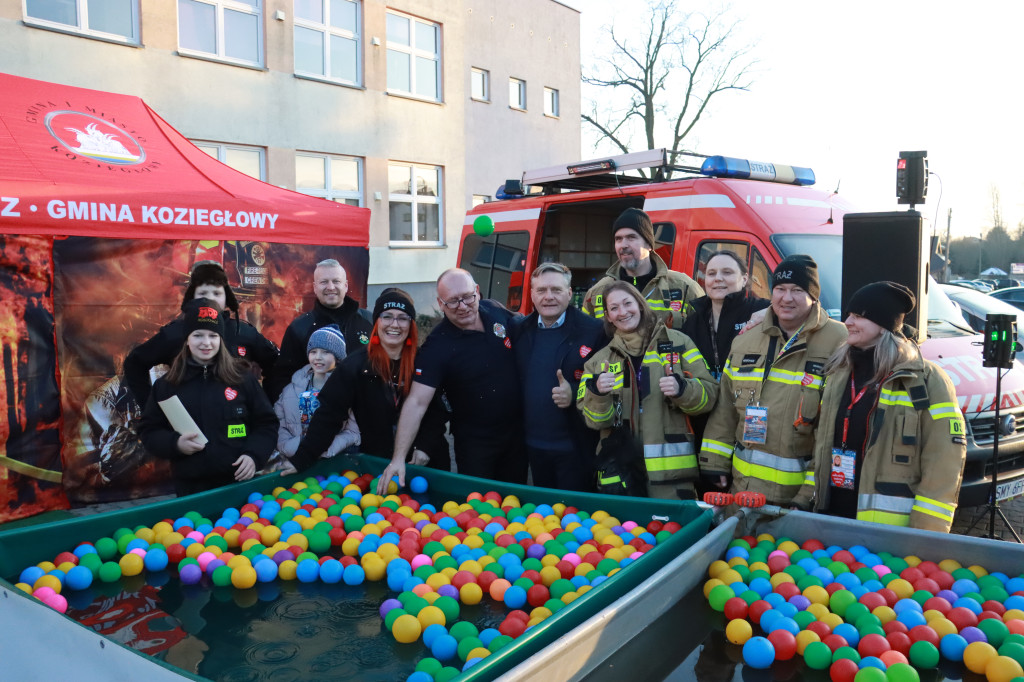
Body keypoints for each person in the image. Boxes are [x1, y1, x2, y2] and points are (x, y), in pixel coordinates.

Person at [792, 282, 966, 532]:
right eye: (849, 315)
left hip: (892, 537)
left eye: (859, 316)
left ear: (884, 325)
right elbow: (821, 448)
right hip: (830, 521)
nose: (848, 322)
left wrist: (927, 536)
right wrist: (804, 499)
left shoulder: (928, 380)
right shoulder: (839, 372)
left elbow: (944, 463)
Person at [698, 255, 847, 506]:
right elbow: (725, 408)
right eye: (780, 289)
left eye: (797, 290)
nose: (786, 298)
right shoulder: (745, 339)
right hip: (742, 492)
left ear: (813, 296)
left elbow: (832, 431)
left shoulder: (839, 341)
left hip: (799, 498)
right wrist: (714, 462)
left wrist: (808, 493)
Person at [377, 269, 524, 493]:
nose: (463, 306)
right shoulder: (437, 346)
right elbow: (417, 402)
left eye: (467, 297)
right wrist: (398, 459)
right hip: (476, 445)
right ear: (440, 302)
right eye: (453, 301)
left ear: (477, 292)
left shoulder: (494, 310)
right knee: (481, 513)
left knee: (519, 505)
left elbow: (531, 332)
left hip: (517, 437)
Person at [578, 281, 718, 499]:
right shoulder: (598, 362)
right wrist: (598, 394)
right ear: (607, 316)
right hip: (621, 477)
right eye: (614, 308)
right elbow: (595, 421)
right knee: (621, 534)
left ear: (640, 304)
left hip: (671, 478)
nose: (623, 312)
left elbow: (710, 396)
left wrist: (682, 389)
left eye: (627, 303)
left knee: (672, 534)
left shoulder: (678, 343)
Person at [290, 289, 450, 472]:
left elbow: (439, 411)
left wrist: (425, 446)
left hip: (423, 462)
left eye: (403, 318)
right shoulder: (355, 366)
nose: (394, 324)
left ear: (411, 324)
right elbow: (329, 415)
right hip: (377, 465)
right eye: (387, 316)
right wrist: (301, 460)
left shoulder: (424, 362)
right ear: (376, 321)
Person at [138, 299, 278, 496]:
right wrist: (175, 443)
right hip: (190, 490)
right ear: (187, 339)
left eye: (213, 335)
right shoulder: (167, 385)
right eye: (198, 335)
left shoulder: (242, 378)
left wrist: (253, 456)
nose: (206, 342)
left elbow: (267, 424)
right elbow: (149, 431)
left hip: (239, 486)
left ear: (221, 339)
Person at [124, 261, 279, 408]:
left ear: (227, 297)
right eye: (203, 292)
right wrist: (151, 407)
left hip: (238, 425)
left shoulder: (244, 332)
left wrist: (266, 404)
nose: (210, 298)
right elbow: (135, 363)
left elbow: (277, 365)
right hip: (188, 428)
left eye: (217, 292)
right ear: (192, 296)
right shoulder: (175, 333)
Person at [510, 263, 608, 491]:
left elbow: (610, 381)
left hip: (576, 448)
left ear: (570, 293)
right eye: (541, 291)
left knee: (576, 519)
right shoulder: (519, 330)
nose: (549, 297)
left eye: (556, 290)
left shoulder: (594, 331)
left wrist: (574, 392)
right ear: (532, 294)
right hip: (532, 448)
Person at [681, 250, 770, 457]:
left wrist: (771, 312)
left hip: (746, 421)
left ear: (745, 278)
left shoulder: (761, 311)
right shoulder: (692, 322)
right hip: (703, 420)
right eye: (711, 273)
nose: (718, 278)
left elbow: (808, 313)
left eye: (727, 272)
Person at [264, 259, 372, 402]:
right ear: (315, 287)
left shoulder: (369, 321)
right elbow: (283, 377)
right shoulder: (299, 328)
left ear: (345, 286)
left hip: (363, 410)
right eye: (324, 282)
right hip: (318, 414)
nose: (330, 287)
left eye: (336, 281)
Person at [583, 207, 703, 331]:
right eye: (618, 239)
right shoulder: (597, 292)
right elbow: (585, 339)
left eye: (631, 237)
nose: (623, 245)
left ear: (649, 245)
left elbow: (705, 337)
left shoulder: (685, 287)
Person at [270, 325, 359, 473]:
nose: (318, 357)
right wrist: (294, 446)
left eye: (325, 352)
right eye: (313, 352)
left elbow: (353, 432)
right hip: (296, 462)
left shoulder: (347, 388)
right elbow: (279, 423)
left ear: (338, 357)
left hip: (336, 464)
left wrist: (321, 448)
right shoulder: (290, 389)